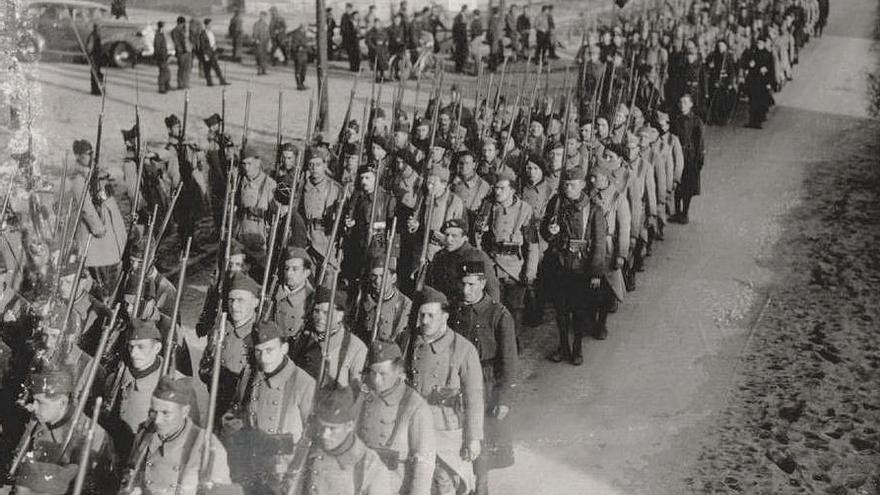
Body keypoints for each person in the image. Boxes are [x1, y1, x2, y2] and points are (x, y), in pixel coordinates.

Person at [221, 320, 315, 494]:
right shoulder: (250, 376)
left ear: (284, 348)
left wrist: (294, 478)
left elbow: (311, 438)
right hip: (250, 466)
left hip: (284, 475)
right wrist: (232, 423)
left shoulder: (304, 383)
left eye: (270, 350)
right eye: (258, 351)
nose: (263, 358)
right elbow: (236, 409)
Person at [448, 260, 518, 493]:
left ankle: (481, 486)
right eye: (463, 284)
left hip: (486, 383)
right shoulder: (456, 311)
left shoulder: (499, 315)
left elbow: (509, 361)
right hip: (458, 381)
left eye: (471, 284)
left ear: (483, 283)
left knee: (483, 437)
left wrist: (504, 399)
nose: (465, 290)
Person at [406, 287, 483, 495]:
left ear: (445, 317)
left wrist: (473, 438)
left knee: (442, 483)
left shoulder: (464, 349)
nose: (425, 320)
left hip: (445, 432)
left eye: (431, 315)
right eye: (422, 315)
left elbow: (474, 398)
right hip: (414, 429)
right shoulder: (409, 343)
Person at [540, 166, 608, 365]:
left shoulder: (594, 209)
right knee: (560, 311)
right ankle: (563, 345)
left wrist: (596, 272)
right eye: (565, 185)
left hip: (581, 268)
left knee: (579, 310)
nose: (568, 188)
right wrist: (551, 231)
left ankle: (577, 346)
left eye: (572, 185)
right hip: (559, 265)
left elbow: (599, 244)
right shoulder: (556, 203)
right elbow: (545, 230)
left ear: (582, 186)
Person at [122, 376, 232, 494]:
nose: (157, 420)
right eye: (153, 412)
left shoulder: (206, 445)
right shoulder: (145, 435)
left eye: (166, 413)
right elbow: (130, 474)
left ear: (185, 411)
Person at [15, 368, 117, 495]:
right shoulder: (39, 421)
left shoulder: (93, 436)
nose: (34, 407)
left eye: (40, 402)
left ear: (62, 403)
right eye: (34, 400)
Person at [357, 342, 436, 495]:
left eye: (383, 374)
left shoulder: (415, 406)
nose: (376, 380)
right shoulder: (363, 396)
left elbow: (423, 465)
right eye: (373, 373)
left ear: (398, 371)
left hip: (393, 486)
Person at [291, 387, 394, 494]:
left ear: (349, 426)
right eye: (322, 426)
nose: (324, 435)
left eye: (332, 428)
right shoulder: (308, 450)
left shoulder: (371, 466)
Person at [68, 139, 126, 297]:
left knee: (107, 264)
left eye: (92, 153)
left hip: (102, 226)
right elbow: (86, 207)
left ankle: (109, 294)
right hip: (92, 232)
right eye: (88, 154)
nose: (91, 156)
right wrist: (98, 227)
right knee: (98, 266)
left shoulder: (91, 173)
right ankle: (103, 297)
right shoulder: (78, 179)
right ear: (78, 156)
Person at [291, 285, 367, 388]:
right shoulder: (304, 338)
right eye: (316, 311)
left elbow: (356, 391)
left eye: (326, 313)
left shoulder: (356, 348)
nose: (319, 317)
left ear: (340, 316)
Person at [235, 146, 277, 252]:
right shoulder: (239, 181)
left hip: (260, 235)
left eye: (250, 163)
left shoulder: (269, 183)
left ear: (258, 163)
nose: (246, 168)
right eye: (244, 164)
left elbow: (275, 213)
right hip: (241, 233)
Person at [670, 94, 705, 224]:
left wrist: (699, 159)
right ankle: (677, 212)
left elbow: (700, 142)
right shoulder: (676, 120)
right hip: (677, 156)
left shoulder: (696, 121)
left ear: (691, 104)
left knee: (688, 187)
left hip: (690, 157)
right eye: (680, 102)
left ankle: (685, 213)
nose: (682, 105)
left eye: (685, 102)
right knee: (677, 184)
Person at [271, 246, 314, 343]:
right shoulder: (273, 292)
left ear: (306, 273)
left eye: (295, 269)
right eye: (287, 268)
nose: (289, 273)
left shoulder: (312, 300)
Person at [742, 37, 775, 129]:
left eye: (761, 43)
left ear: (764, 44)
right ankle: (751, 121)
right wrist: (750, 65)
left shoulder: (768, 55)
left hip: (762, 83)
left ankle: (758, 121)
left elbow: (771, 70)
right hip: (753, 81)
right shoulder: (753, 54)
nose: (759, 45)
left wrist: (769, 82)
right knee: (752, 102)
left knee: (760, 102)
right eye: (758, 43)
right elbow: (747, 65)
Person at [200, 19, 229, 86]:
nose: (211, 25)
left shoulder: (211, 33)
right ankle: (209, 82)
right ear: (206, 25)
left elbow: (213, 42)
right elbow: (202, 45)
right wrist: (205, 54)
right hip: (207, 53)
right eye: (210, 24)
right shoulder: (203, 34)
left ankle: (221, 81)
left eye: (211, 24)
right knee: (207, 68)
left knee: (216, 67)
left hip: (213, 52)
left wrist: (216, 48)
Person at [171, 16, 193, 90]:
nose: (183, 25)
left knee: (186, 69)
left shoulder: (183, 30)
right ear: (181, 23)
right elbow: (177, 43)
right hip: (182, 52)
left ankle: (185, 84)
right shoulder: (175, 31)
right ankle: (181, 84)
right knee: (182, 69)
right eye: (183, 23)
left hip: (187, 51)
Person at [289, 22, 310, 90]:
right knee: (298, 70)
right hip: (298, 55)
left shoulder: (303, 34)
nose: (307, 29)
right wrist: (298, 47)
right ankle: (299, 84)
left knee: (304, 71)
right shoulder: (296, 34)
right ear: (302, 27)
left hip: (304, 55)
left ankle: (302, 83)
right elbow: (293, 46)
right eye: (306, 27)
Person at [85, 23, 104, 95]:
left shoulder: (96, 35)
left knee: (98, 73)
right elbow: (89, 47)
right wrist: (90, 55)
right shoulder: (93, 36)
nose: (99, 30)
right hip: (94, 57)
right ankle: (95, 90)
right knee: (95, 73)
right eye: (99, 28)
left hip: (97, 57)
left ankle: (97, 89)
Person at [341, 3, 361, 72]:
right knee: (351, 53)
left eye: (348, 8)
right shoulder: (344, 16)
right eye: (346, 8)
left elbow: (356, 27)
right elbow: (343, 27)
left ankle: (356, 67)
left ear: (351, 9)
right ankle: (353, 67)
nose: (347, 10)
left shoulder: (353, 16)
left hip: (354, 38)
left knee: (356, 53)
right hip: (348, 38)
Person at [154, 21, 171, 94]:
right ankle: (161, 88)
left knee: (167, 72)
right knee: (162, 73)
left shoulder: (161, 34)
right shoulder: (158, 35)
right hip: (161, 57)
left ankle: (167, 85)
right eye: (164, 26)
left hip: (164, 56)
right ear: (162, 27)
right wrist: (160, 57)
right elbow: (157, 47)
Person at [452, 5, 469, 73]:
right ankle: (459, 69)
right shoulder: (459, 17)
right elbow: (456, 29)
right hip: (460, 40)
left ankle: (460, 69)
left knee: (462, 55)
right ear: (464, 9)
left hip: (462, 39)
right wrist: (455, 39)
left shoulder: (462, 17)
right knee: (460, 55)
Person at [253, 11, 270, 75]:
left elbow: (268, 34)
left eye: (263, 16)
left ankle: (264, 70)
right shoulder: (257, 24)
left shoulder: (265, 24)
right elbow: (254, 33)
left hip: (265, 42)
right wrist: (256, 39)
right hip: (259, 42)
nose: (262, 17)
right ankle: (259, 70)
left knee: (264, 56)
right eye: (261, 16)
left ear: (265, 17)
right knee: (259, 56)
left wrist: (269, 42)